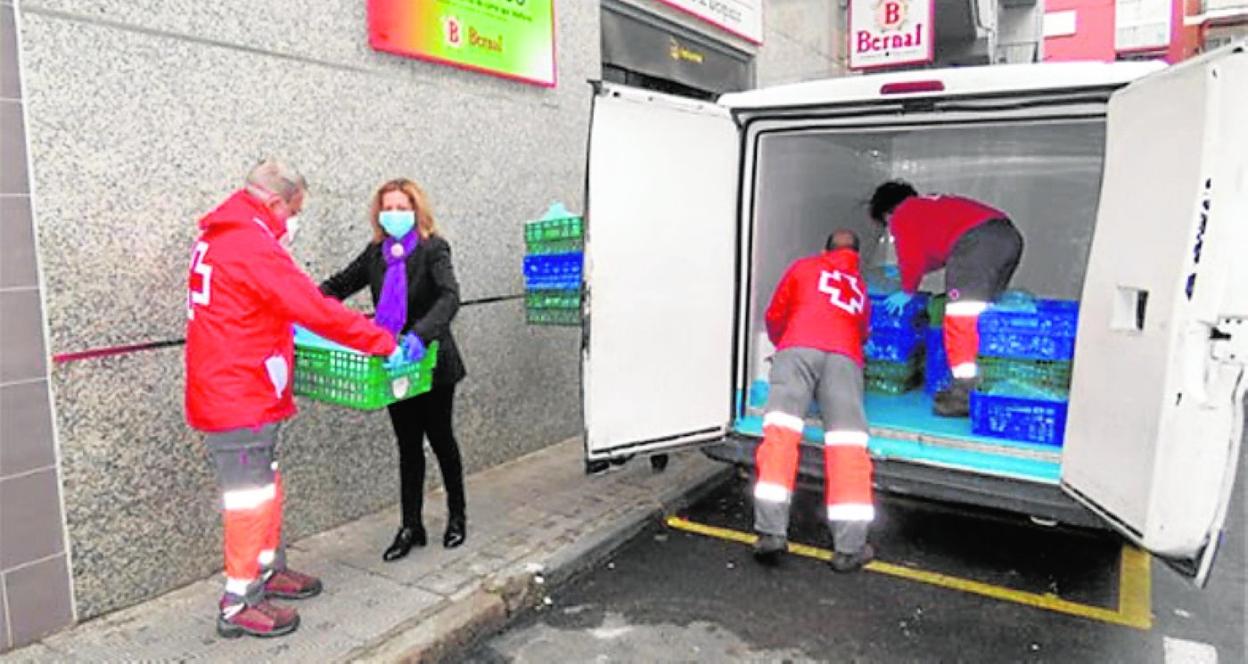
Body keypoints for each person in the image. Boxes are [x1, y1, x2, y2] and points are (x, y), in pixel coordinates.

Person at [185, 159, 417, 639]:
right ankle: (238, 602)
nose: (294, 221)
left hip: (240, 387)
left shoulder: (222, 235)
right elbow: (312, 308)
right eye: (295, 210)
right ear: (274, 202)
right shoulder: (251, 245)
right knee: (248, 500)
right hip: (238, 395)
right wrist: (382, 341)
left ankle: (268, 570)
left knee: (265, 487)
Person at [321, 178, 469, 562]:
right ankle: (411, 526)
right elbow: (338, 285)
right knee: (407, 445)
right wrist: (301, 302)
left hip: (431, 359)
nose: (395, 215)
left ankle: (457, 516)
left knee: (440, 438)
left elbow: (450, 296)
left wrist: (419, 337)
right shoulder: (376, 253)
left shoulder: (434, 248)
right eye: (388, 208)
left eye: (403, 208)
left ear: (416, 210)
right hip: (392, 361)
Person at [753, 229, 876, 573]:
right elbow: (863, 332)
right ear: (857, 256)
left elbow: (776, 314)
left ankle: (770, 534)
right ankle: (849, 548)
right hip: (845, 358)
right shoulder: (859, 288)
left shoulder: (804, 267)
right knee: (848, 447)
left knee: (781, 435)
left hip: (797, 351)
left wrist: (786, 345)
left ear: (825, 250)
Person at [868, 181, 1024, 417]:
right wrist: (907, 273)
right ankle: (985, 386)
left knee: (960, 320)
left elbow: (911, 256)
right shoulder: (933, 206)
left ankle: (962, 395)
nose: (892, 228)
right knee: (982, 318)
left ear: (888, 211)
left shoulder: (904, 212)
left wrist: (908, 289)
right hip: (1007, 237)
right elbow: (934, 255)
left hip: (976, 243)